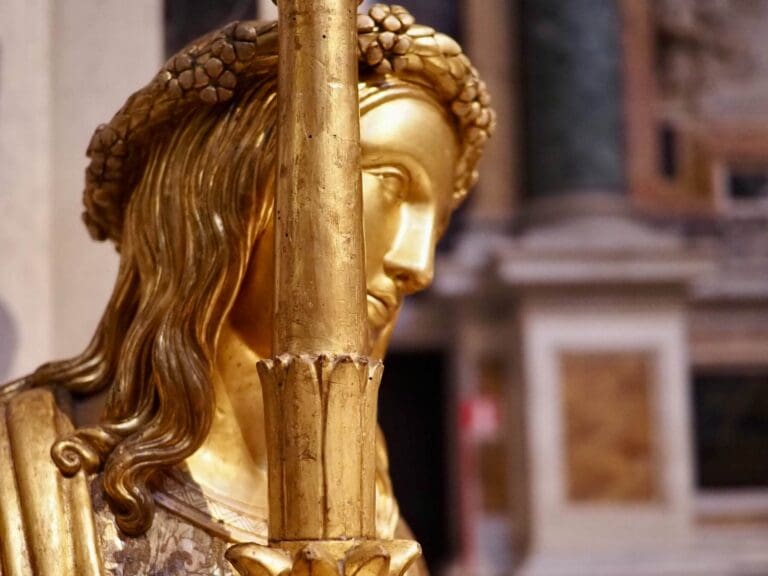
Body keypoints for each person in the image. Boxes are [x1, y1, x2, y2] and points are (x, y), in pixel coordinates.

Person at [0, 5, 494, 574]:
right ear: (230, 191)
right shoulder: (30, 481)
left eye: (435, 226)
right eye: (389, 183)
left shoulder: (378, 517)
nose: (419, 264)